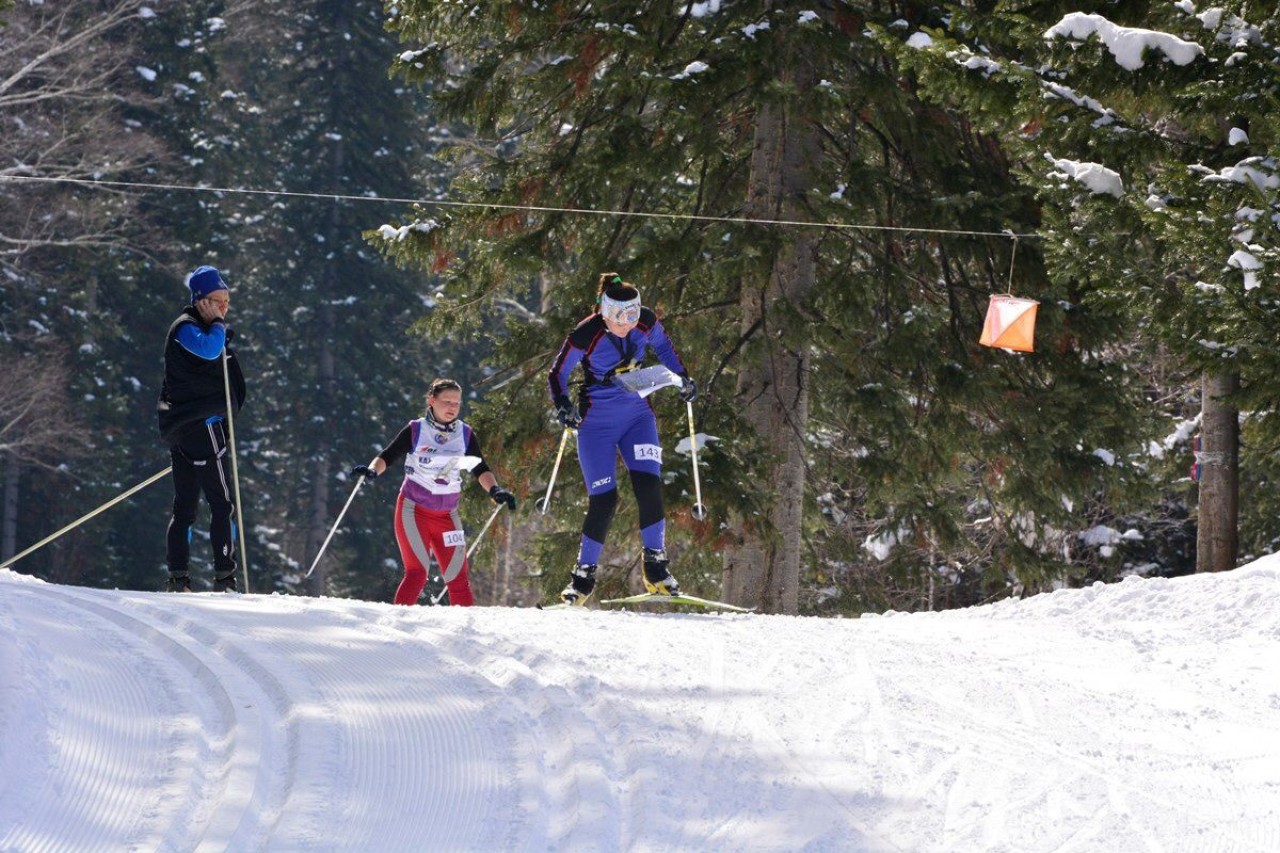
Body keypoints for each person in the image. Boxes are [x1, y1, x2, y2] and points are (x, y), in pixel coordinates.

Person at [547, 272, 697, 606]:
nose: (627, 325)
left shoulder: (645, 322)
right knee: (604, 499)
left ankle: (656, 569)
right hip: (596, 423)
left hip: (637, 416)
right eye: (620, 319)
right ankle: (582, 580)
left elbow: (663, 347)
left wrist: (683, 379)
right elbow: (557, 373)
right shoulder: (586, 333)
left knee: (649, 486)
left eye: (632, 317)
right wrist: (563, 406)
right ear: (605, 313)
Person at [351, 378, 516, 606]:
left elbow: (480, 468)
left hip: (448, 515)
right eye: (447, 401)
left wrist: (495, 490)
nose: (452, 407)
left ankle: (464, 629)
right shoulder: (417, 429)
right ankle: (398, 624)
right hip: (413, 510)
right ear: (432, 401)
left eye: (456, 403)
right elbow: (388, 456)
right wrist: (372, 471)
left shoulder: (465, 434)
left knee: (458, 580)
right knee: (417, 574)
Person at [157, 265, 246, 593]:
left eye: (227, 302)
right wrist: (219, 325)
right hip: (202, 428)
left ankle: (179, 578)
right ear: (200, 300)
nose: (224, 308)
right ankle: (224, 577)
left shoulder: (202, 327)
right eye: (218, 301)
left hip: (184, 429)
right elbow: (209, 351)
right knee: (220, 504)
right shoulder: (186, 328)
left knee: (186, 507)